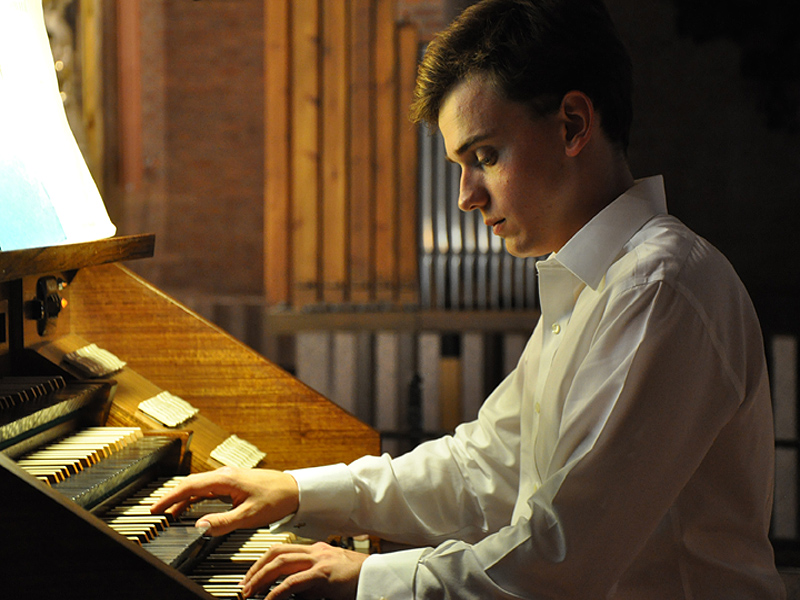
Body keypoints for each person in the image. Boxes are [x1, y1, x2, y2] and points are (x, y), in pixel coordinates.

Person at [152, 0, 786, 598]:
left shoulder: (659, 288)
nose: (466, 197)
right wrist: (297, 490)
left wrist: (368, 577)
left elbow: (557, 559)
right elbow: (483, 471)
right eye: (460, 163)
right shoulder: (596, 283)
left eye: (486, 155)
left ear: (572, 124)